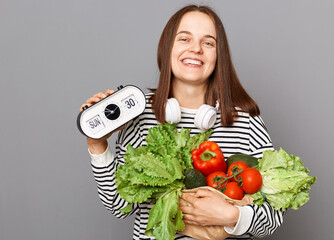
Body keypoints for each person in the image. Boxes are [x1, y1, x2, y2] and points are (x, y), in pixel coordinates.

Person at [80, 5, 284, 240]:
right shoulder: (138, 114)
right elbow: (119, 205)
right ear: (167, 48)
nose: (195, 49)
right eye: (184, 38)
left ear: (219, 56)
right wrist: (97, 144)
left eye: (208, 43)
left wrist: (230, 216)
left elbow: (273, 217)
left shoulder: (246, 120)